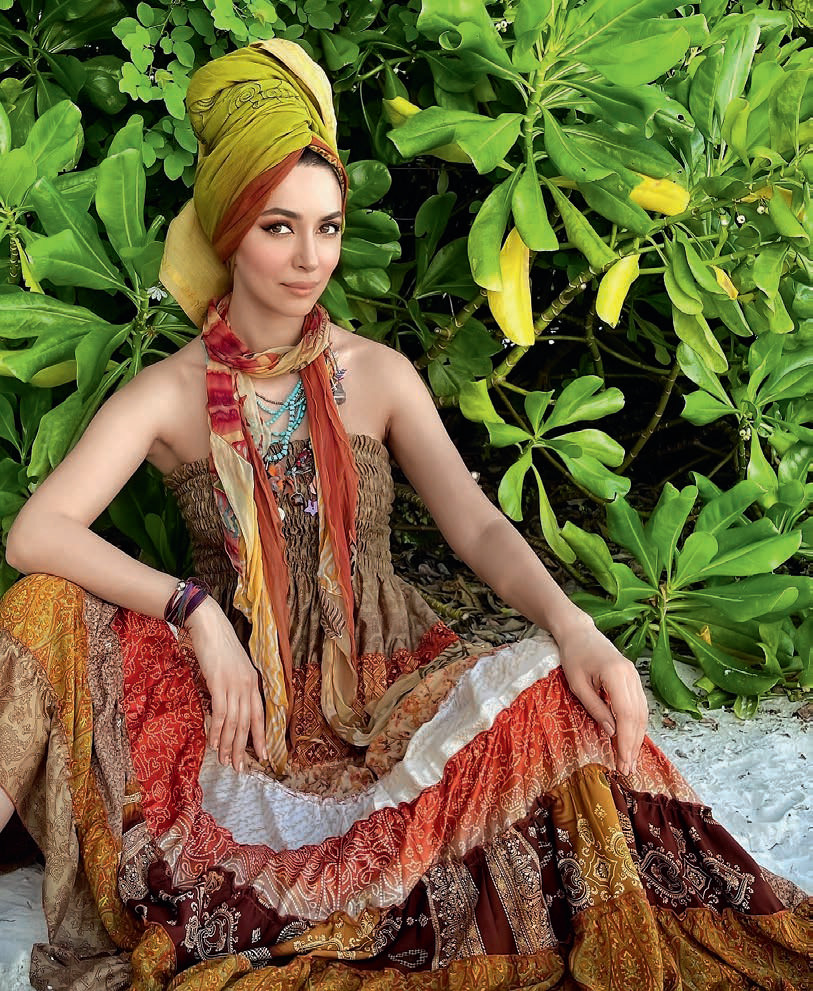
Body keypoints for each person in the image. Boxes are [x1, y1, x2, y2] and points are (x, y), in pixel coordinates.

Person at [0, 38, 808, 991]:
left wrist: (576, 627)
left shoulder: (375, 374)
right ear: (228, 231)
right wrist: (197, 611)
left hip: (384, 681)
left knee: (554, 695)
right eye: (278, 227)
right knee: (39, 606)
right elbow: (36, 533)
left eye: (328, 227)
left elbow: (476, 526)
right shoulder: (170, 394)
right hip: (243, 699)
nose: (310, 259)